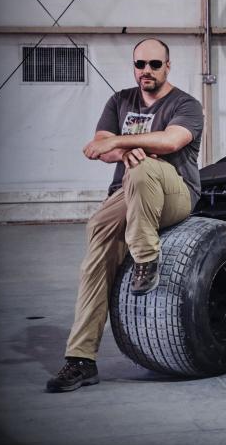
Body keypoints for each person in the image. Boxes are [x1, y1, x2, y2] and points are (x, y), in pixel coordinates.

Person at [46, 38, 203, 393]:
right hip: (127, 193)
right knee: (97, 241)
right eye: (140, 64)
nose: (146, 71)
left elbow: (171, 142)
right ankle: (81, 359)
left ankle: (146, 258)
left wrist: (124, 143)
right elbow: (99, 146)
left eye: (154, 64)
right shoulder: (120, 100)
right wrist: (120, 147)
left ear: (168, 66)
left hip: (175, 192)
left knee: (145, 166)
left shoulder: (186, 104)